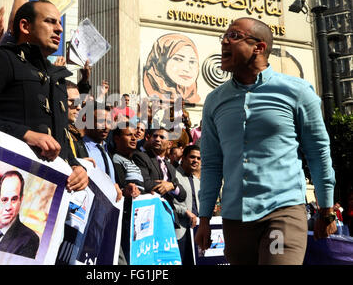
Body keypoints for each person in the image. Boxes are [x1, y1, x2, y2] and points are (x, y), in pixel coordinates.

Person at [195, 17, 337, 265]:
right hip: (234, 219)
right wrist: (204, 218)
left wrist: (326, 211)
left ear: (258, 48)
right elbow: (211, 164)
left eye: (234, 36)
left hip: (282, 212)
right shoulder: (214, 101)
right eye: (224, 37)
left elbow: (318, 153)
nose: (225, 42)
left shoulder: (298, 92)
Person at [0, 0, 88, 192]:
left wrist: (78, 167)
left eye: (59, 23)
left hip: (44, 195)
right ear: (25, 26)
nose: (59, 29)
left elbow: (61, 145)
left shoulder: (58, 79)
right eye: (51, 22)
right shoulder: (1, 59)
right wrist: (25, 134)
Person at [73, 101, 122, 200]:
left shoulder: (109, 153)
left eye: (108, 122)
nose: (106, 127)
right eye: (100, 121)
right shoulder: (76, 147)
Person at [112, 122, 146, 264]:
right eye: (128, 135)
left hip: (137, 218)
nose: (134, 138)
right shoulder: (115, 159)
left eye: (135, 136)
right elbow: (120, 184)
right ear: (116, 138)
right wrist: (128, 189)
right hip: (125, 216)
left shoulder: (133, 161)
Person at [132, 128, 186, 214]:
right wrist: (165, 185)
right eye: (155, 136)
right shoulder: (141, 157)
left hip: (168, 214)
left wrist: (172, 186)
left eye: (162, 137)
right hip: (150, 212)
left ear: (169, 144)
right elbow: (145, 184)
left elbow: (182, 195)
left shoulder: (170, 167)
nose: (157, 139)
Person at [143, 33, 200, 104]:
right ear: (161, 62)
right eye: (178, 59)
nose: (186, 69)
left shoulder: (191, 93)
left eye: (192, 61)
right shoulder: (152, 87)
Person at [173, 145, 201, 265]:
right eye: (192, 157)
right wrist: (185, 211)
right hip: (180, 231)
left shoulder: (197, 180)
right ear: (183, 158)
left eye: (199, 158)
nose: (196, 160)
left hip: (196, 231)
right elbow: (169, 203)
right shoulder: (173, 175)